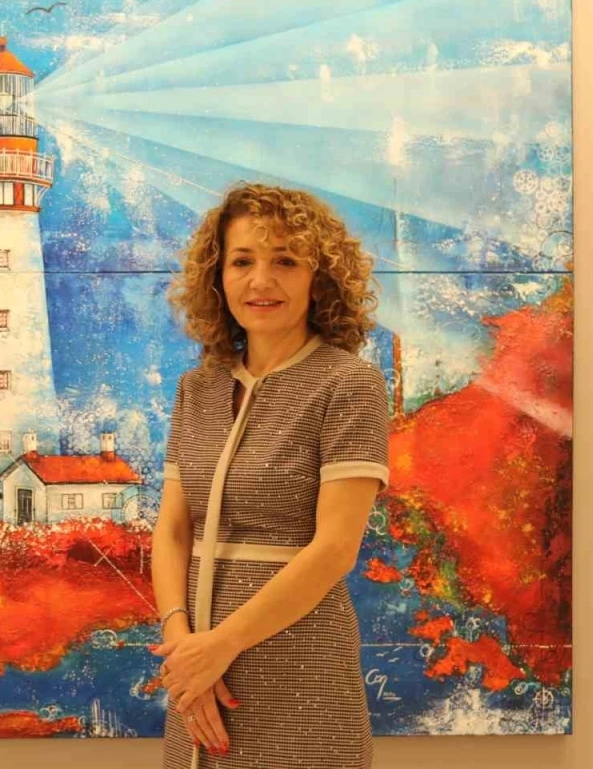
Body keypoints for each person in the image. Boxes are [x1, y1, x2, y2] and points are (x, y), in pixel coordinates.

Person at [150, 183, 390, 768]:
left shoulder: (349, 385)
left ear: (319, 278)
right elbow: (173, 531)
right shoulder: (197, 388)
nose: (261, 280)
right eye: (242, 261)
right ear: (218, 277)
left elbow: (335, 550)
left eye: (284, 261)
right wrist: (184, 647)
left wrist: (221, 646)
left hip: (300, 668)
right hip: (195, 672)